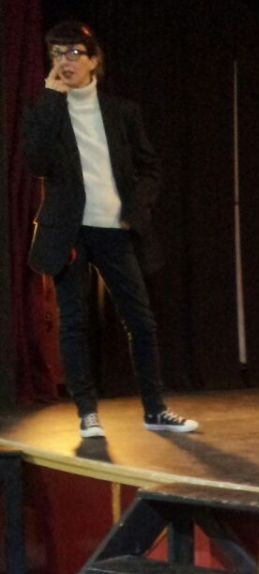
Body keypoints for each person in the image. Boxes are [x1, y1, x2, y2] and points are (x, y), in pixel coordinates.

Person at [23, 21, 197, 439]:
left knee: (141, 321)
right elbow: (36, 163)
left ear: (94, 60)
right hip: (69, 232)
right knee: (74, 323)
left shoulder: (122, 112)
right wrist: (51, 101)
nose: (65, 62)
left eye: (74, 53)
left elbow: (149, 166)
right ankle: (87, 414)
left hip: (114, 229)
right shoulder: (45, 109)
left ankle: (155, 409)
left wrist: (135, 208)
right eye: (57, 54)